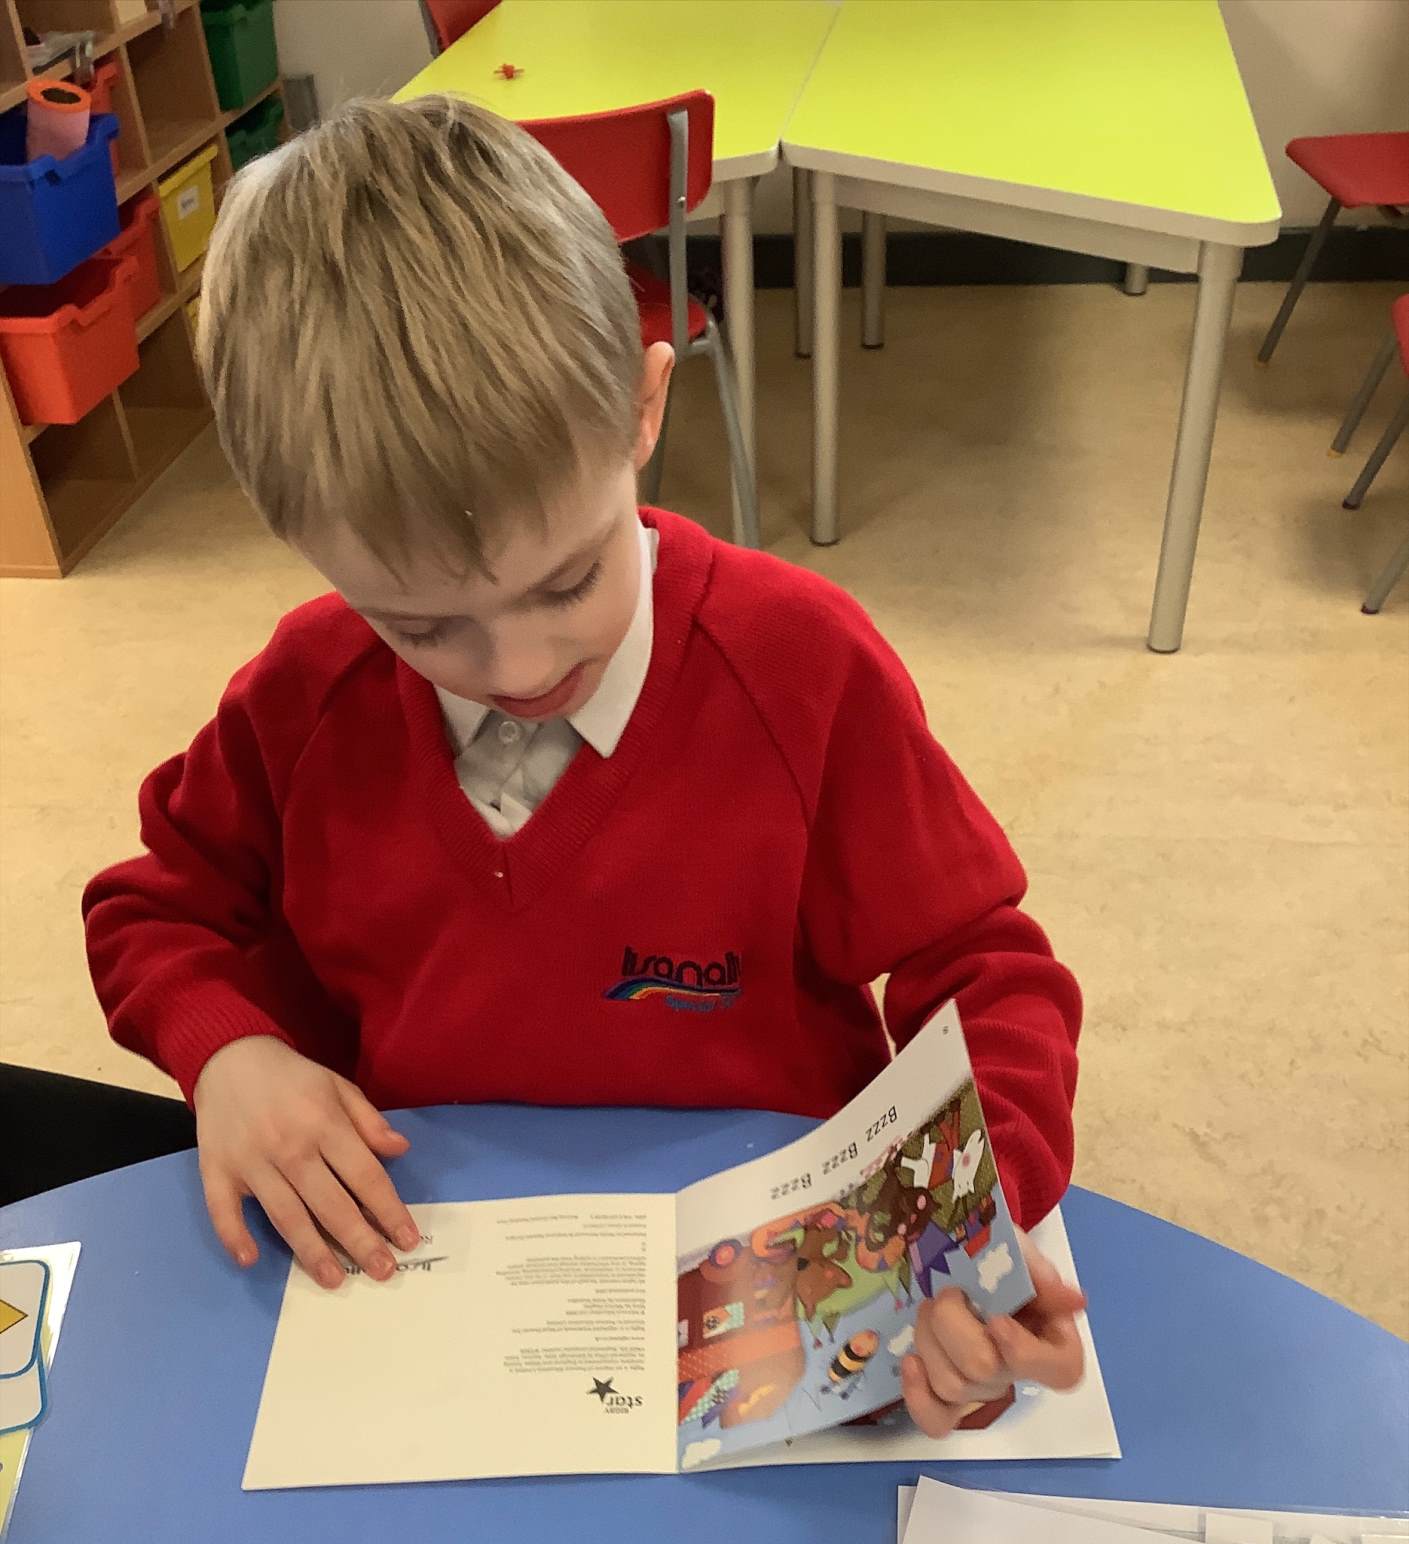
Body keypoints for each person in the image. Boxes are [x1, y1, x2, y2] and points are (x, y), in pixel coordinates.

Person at [82, 95, 1086, 1438]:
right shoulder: (308, 694)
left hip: (788, 1287)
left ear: (643, 408)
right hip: (428, 1283)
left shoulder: (799, 668)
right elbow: (153, 912)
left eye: (566, 581)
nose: (513, 666)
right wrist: (229, 1053)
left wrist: (976, 1219)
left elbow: (987, 969)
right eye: (420, 624)